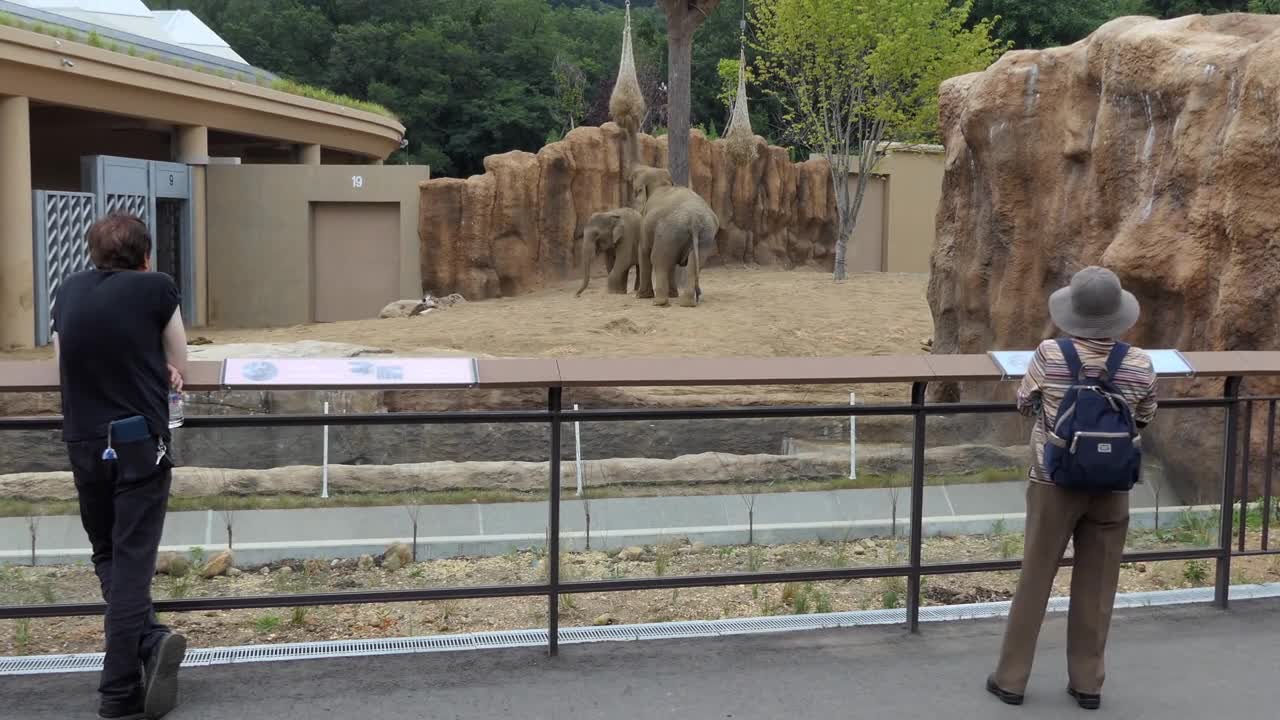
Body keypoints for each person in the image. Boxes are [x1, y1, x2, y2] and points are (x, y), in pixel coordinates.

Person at [987, 266, 1157, 711]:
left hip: (1053, 481)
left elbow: (1024, 403)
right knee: (1098, 584)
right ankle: (1087, 683)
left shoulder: (1050, 353)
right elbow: (1144, 416)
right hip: (1112, 487)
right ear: (1119, 316)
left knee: (1036, 577)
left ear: (1072, 312)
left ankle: (1011, 679)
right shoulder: (1140, 363)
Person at [54, 213, 189, 720]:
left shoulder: (67, 291)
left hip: (84, 442)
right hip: (137, 444)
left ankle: (152, 641)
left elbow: (60, 364)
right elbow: (183, 360)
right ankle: (118, 691)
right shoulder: (157, 287)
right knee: (132, 562)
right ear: (145, 256)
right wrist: (162, 366)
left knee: (107, 553)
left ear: (92, 255)